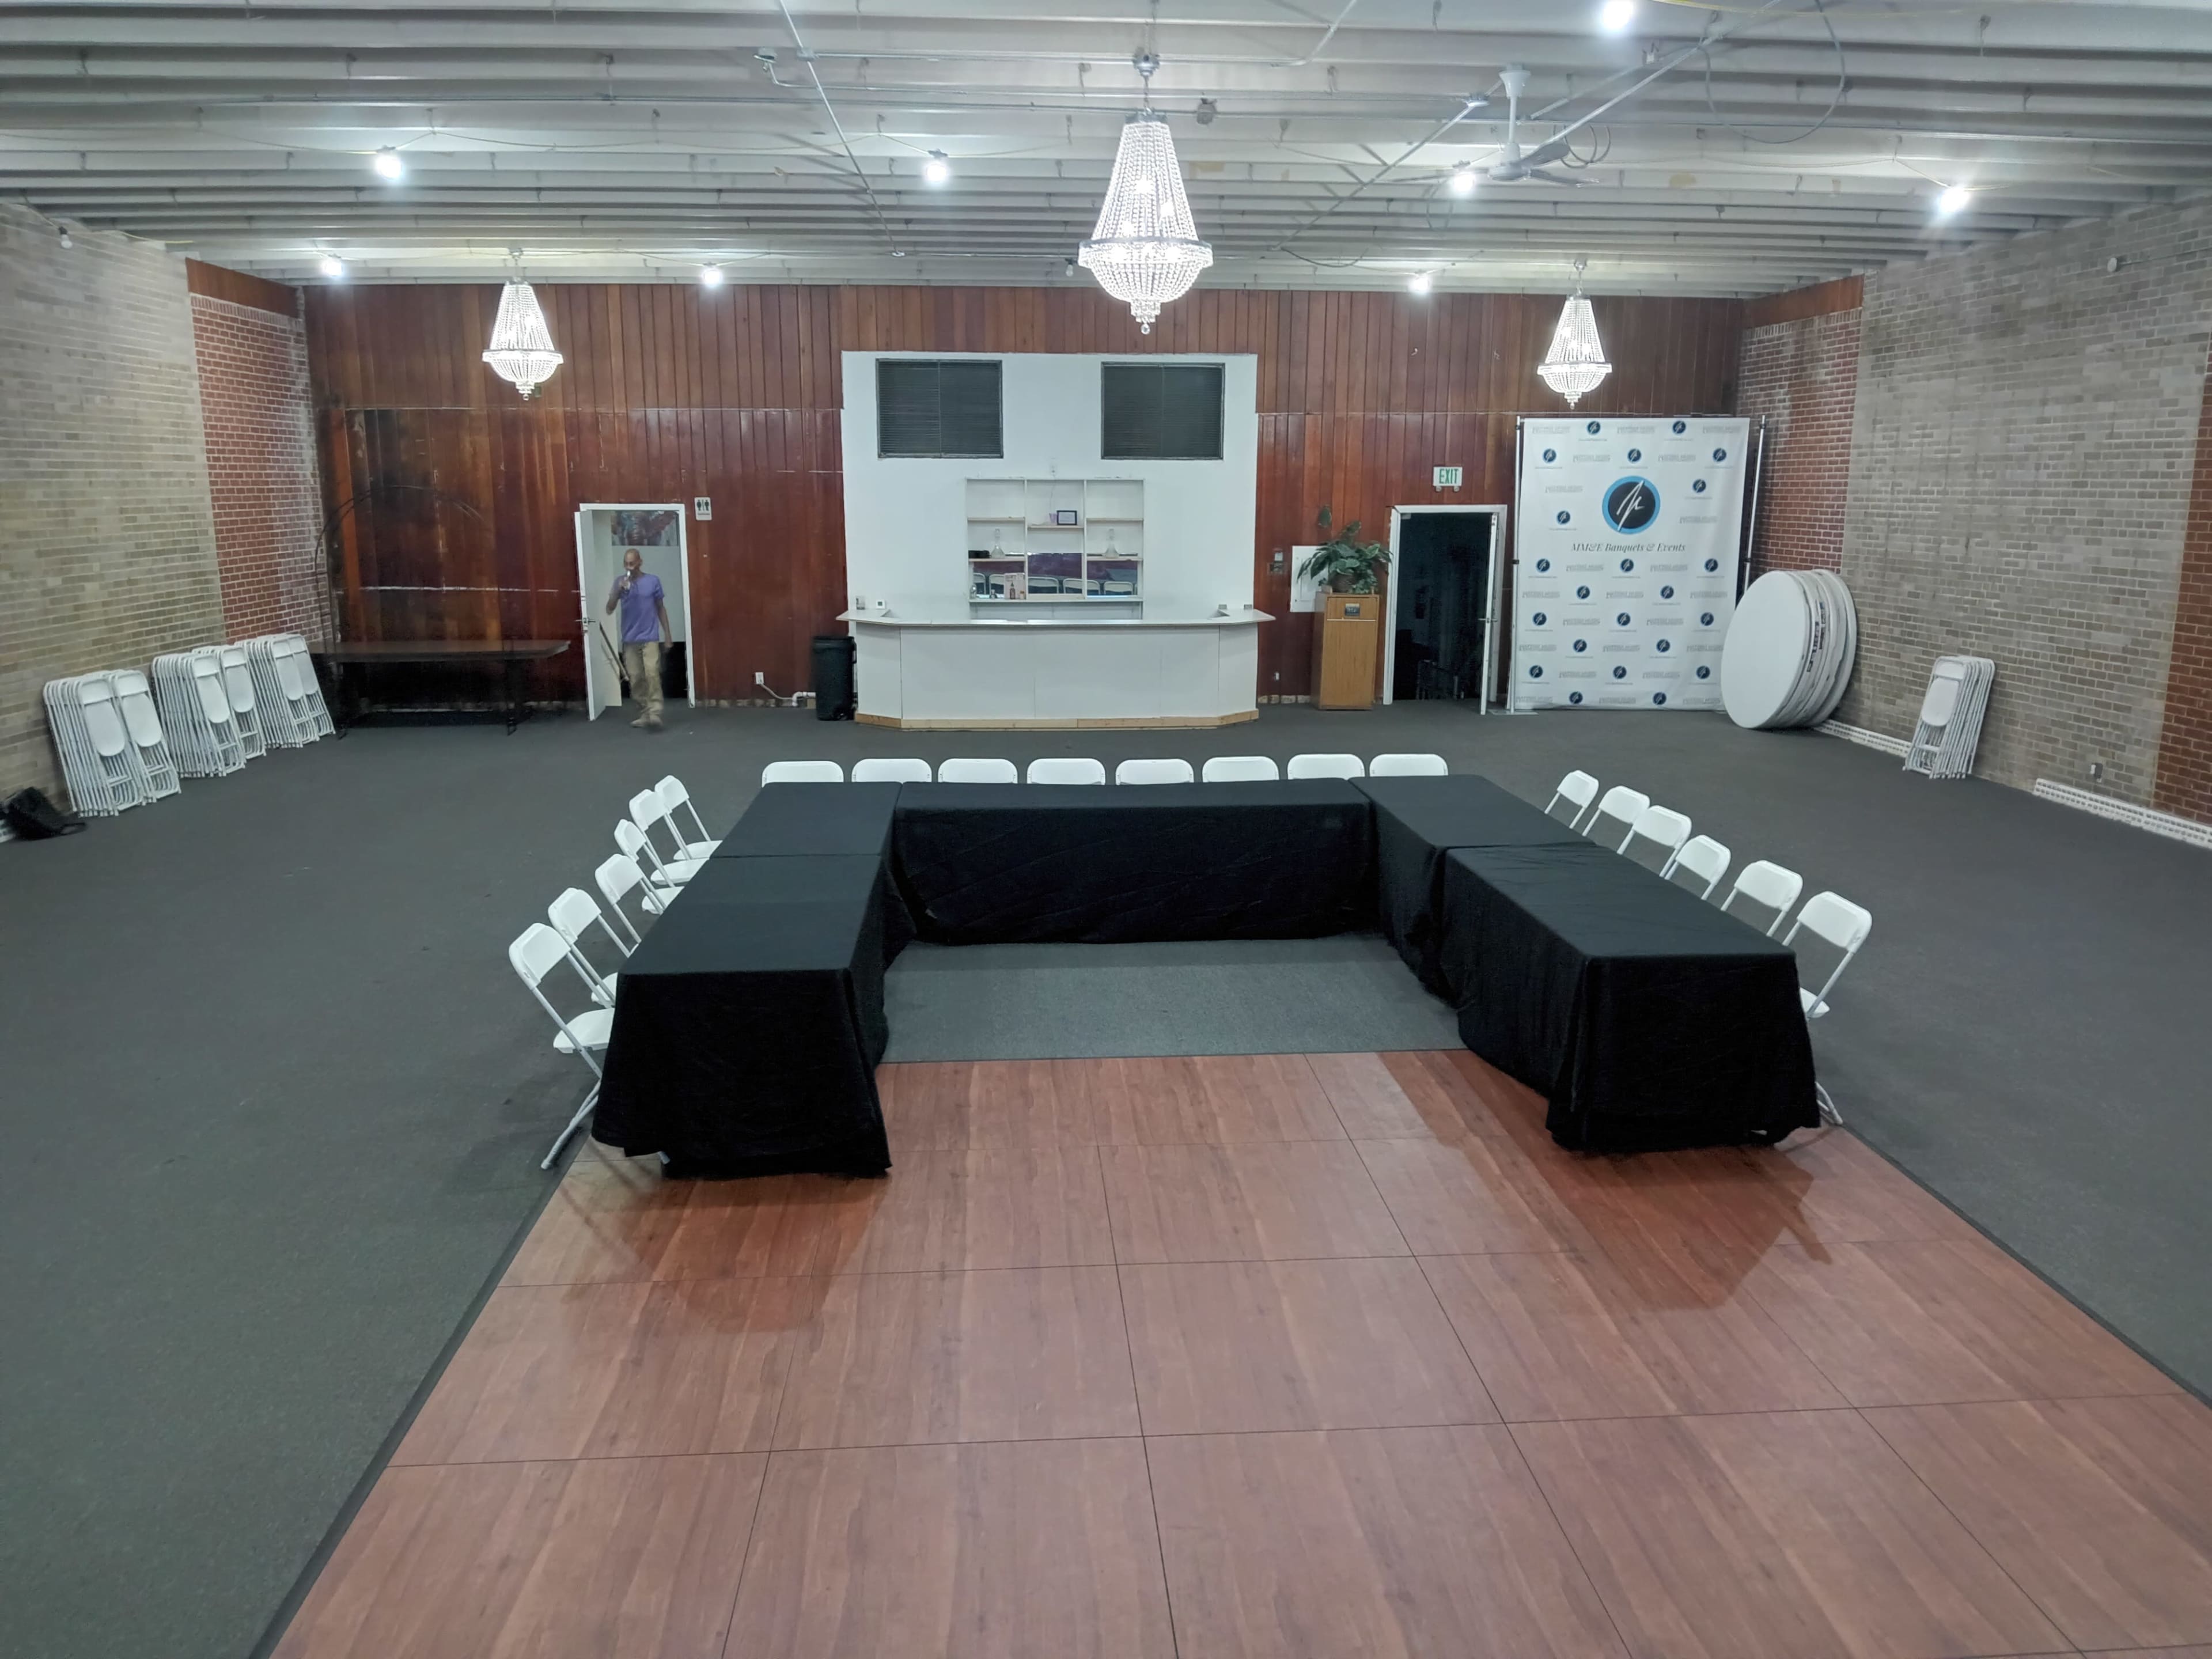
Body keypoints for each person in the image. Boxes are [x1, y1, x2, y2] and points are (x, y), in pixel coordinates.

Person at [604, 547, 672, 729]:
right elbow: (609, 609)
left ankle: (656, 713)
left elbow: (661, 608)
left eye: (632, 563)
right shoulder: (620, 582)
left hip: (650, 636)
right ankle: (645, 714)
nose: (629, 567)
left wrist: (668, 636)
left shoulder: (653, 581)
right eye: (626, 564)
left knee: (652, 674)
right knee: (635, 678)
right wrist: (618, 591)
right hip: (629, 639)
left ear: (640, 562)